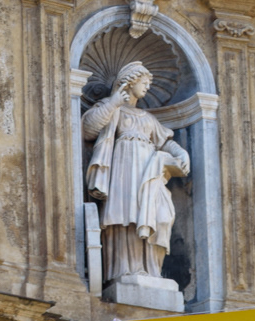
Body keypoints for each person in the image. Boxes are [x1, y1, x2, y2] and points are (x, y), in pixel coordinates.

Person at [81, 62, 191, 286]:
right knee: (125, 216)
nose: (147, 87)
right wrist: (113, 103)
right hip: (123, 172)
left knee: (159, 215)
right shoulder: (114, 110)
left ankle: (151, 271)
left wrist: (181, 154)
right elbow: (88, 128)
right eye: (144, 82)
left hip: (149, 173)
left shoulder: (148, 118)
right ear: (130, 82)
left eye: (149, 83)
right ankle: (125, 269)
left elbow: (165, 142)